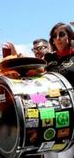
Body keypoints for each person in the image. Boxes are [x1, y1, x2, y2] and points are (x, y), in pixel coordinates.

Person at [44, 22, 74, 158]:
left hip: (69, 109)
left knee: (66, 153)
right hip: (48, 108)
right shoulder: (48, 59)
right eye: (54, 36)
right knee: (48, 147)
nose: (58, 38)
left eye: (62, 34)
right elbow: (40, 85)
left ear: (69, 37)